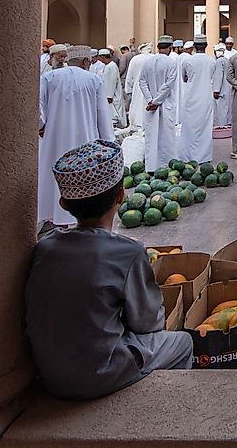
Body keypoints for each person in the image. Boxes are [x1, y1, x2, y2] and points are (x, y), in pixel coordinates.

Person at [26, 140, 192, 401]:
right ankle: (164, 411)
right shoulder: (127, 252)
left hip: (50, 377)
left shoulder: (43, 248)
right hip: (98, 376)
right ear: (121, 196)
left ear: (64, 204)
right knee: (183, 343)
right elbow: (149, 322)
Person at [37, 45, 114, 230]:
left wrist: (42, 127)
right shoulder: (94, 80)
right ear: (86, 61)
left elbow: (39, 111)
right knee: (83, 180)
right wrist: (109, 144)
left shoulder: (48, 78)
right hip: (86, 142)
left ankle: (55, 219)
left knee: (54, 177)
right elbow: (103, 116)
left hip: (55, 142)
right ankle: (80, 220)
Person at [139, 37, 178, 172]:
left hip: (151, 105)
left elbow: (142, 82)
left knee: (151, 136)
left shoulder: (147, 62)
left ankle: (151, 167)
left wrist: (151, 100)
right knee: (166, 136)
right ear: (170, 48)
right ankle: (166, 167)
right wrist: (156, 101)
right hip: (165, 104)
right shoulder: (171, 63)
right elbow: (169, 85)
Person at [178, 34, 215, 163]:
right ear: (206, 46)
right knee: (205, 127)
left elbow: (184, 78)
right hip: (205, 97)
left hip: (191, 98)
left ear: (194, 46)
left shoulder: (188, 61)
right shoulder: (212, 61)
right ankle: (204, 157)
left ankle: (189, 157)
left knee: (189, 127)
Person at [98, 48, 127, 128]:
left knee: (115, 115)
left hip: (113, 96)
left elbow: (112, 82)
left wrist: (109, 96)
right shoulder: (107, 66)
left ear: (103, 57)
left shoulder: (111, 66)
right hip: (109, 95)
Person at [124, 43, 151, 129]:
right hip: (150, 89)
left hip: (137, 88)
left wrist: (128, 90)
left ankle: (137, 123)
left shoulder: (135, 59)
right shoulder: (154, 58)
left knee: (137, 106)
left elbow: (129, 76)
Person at [212, 42, 231, 127]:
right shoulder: (226, 60)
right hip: (227, 88)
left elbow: (218, 76)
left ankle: (222, 127)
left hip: (222, 89)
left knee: (221, 110)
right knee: (226, 109)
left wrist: (216, 90)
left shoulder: (219, 61)